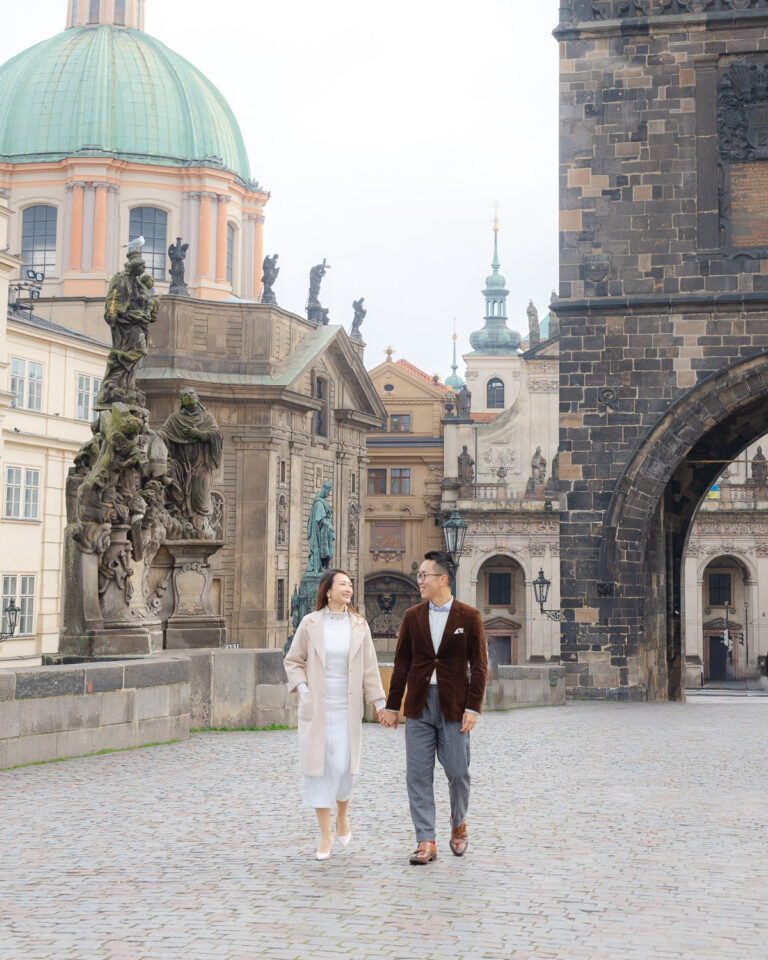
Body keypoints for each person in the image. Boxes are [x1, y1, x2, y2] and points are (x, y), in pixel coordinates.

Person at [380, 551, 488, 864]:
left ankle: (458, 824)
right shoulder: (412, 616)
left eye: (425, 575)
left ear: (443, 579)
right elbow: (401, 664)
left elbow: (478, 666)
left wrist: (473, 708)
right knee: (417, 775)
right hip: (418, 706)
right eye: (419, 575)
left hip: (454, 707)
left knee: (457, 773)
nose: (420, 580)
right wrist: (391, 706)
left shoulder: (469, 617)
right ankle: (426, 840)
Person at [284, 569, 388, 860]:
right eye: (342, 584)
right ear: (327, 591)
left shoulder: (359, 625)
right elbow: (293, 660)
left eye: (350, 584)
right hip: (318, 707)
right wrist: (303, 689)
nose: (348, 588)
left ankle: (343, 815)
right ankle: (325, 834)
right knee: (319, 770)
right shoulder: (310, 623)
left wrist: (379, 704)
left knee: (343, 768)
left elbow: (369, 667)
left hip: (347, 707)